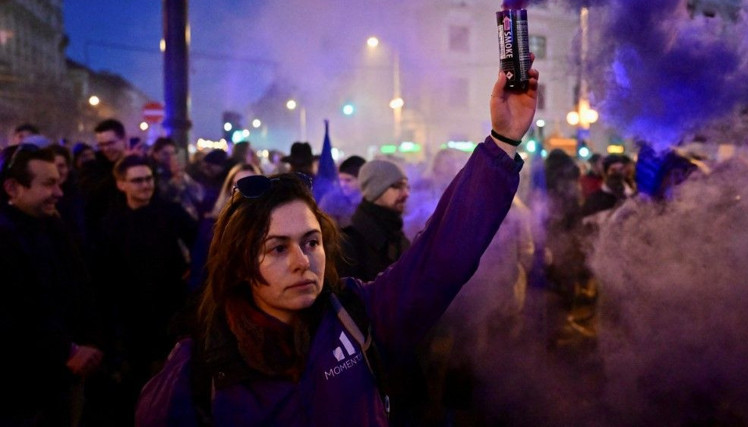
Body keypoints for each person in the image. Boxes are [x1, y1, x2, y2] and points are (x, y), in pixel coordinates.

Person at [135, 66, 539, 426]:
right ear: (240, 263)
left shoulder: (357, 316)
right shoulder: (196, 375)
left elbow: (442, 255)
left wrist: (502, 142)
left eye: (311, 241)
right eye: (277, 248)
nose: (301, 261)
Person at [0, 144, 104, 426]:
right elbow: (18, 314)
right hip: (24, 390)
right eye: (48, 184)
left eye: (59, 182)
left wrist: (90, 342)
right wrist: (67, 351)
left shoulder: (54, 226)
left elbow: (80, 287)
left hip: (67, 377)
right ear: (12, 188)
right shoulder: (6, 238)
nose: (59, 192)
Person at [95, 154, 196, 423]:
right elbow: (105, 274)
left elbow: (199, 243)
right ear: (121, 184)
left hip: (171, 311)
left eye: (149, 179)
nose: (145, 185)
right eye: (137, 181)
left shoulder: (170, 212)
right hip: (131, 318)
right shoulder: (111, 223)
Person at [188, 162, 263, 292]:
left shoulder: (269, 225)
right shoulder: (211, 225)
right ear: (229, 189)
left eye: (250, 184)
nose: (243, 190)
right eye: (238, 184)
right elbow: (198, 269)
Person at [338, 159, 411, 282]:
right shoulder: (349, 243)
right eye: (397, 186)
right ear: (375, 189)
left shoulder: (398, 236)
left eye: (407, 187)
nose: (406, 194)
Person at [150, 137, 204, 221]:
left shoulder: (180, 172)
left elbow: (199, 195)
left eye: (173, 153)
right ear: (155, 154)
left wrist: (182, 176)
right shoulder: (152, 173)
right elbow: (164, 197)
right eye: (165, 154)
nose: (170, 157)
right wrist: (175, 179)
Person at [318, 154, 366, 228]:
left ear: (362, 180)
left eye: (348, 180)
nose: (343, 184)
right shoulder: (331, 201)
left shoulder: (370, 199)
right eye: (340, 180)